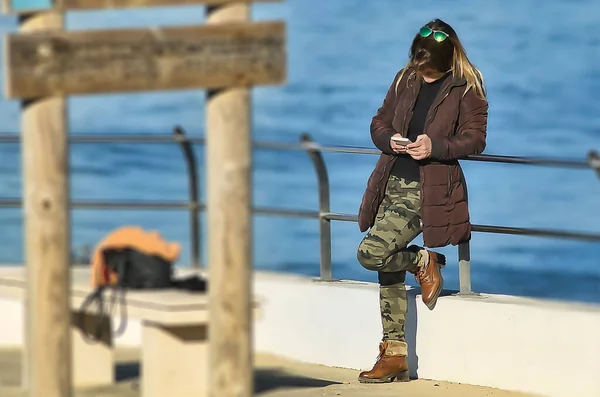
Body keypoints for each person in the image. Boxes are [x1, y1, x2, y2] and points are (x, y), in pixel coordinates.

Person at [355, 18, 489, 383]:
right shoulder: (404, 79)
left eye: (428, 70)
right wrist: (391, 139)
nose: (421, 73)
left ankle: (422, 259)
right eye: (418, 66)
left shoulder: (467, 88)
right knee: (387, 268)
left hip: (429, 189)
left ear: (446, 62)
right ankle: (394, 355)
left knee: (371, 252)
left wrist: (436, 146)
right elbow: (378, 123)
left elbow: (476, 140)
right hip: (390, 179)